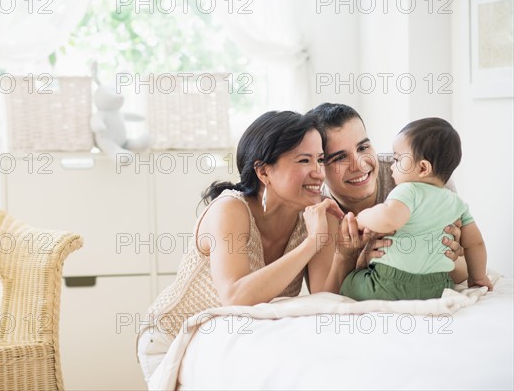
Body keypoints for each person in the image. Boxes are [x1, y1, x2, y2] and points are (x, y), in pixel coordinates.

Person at [136, 110, 346, 382]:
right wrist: (311, 244)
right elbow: (235, 297)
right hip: (171, 338)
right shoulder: (230, 209)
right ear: (263, 171)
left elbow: (323, 297)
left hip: (233, 338)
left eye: (320, 159)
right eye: (304, 160)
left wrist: (347, 253)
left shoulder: (318, 216)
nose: (318, 173)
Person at [303, 103, 468, 291]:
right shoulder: (320, 209)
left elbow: (465, 269)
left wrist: (448, 253)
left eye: (363, 147)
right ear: (319, 165)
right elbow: (322, 297)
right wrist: (351, 258)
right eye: (340, 157)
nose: (359, 165)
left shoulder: (419, 174)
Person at [338, 117, 493, 300]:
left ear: (422, 168)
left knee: (350, 281)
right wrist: (478, 277)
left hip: (389, 283)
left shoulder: (407, 190)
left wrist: (361, 218)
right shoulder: (457, 203)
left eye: (397, 159)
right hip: (438, 286)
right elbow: (475, 244)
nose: (392, 166)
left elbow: (389, 219)